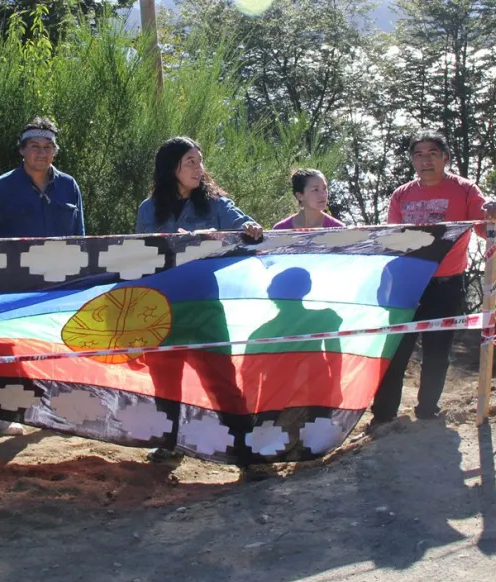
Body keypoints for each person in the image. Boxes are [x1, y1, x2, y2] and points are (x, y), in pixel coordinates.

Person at [135, 136, 263, 463]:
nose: (198, 168)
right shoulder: (149, 210)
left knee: (223, 381)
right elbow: (141, 257)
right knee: (165, 382)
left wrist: (249, 226)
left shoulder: (215, 204)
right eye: (190, 161)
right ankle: (169, 445)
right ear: (171, 167)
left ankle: (247, 452)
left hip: (205, 306)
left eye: (200, 161)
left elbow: (243, 223)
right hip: (162, 308)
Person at [0, 116, 85, 435]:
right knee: (14, 349)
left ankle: (52, 409)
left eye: (48, 147)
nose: (41, 153)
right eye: (34, 146)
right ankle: (10, 411)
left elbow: (80, 238)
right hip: (12, 289)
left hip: (58, 286)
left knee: (53, 346)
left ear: (55, 151)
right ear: (21, 150)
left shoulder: (69, 186)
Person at [370, 130, 496, 426]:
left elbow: (485, 229)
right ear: (412, 160)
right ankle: (383, 417)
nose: (425, 160)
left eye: (432, 154)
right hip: (407, 284)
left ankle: (428, 411)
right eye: (418, 154)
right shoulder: (401, 195)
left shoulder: (465, 190)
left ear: (446, 158)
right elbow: (393, 241)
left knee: (437, 350)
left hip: (446, 284)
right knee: (395, 350)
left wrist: (493, 213)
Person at [272, 169, 345, 230]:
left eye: (324, 188)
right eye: (315, 189)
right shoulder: (281, 229)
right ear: (300, 196)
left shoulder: (337, 229)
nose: (323, 194)